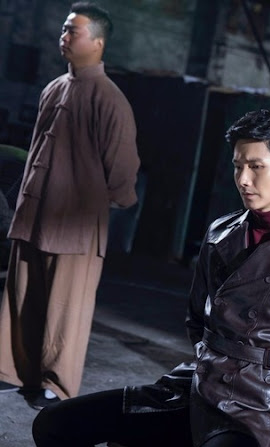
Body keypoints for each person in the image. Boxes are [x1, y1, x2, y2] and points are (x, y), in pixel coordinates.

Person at [31, 109, 270, 447]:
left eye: (256, 166)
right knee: (54, 424)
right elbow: (196, 318)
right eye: (237, 166)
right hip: (194, 383)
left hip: (257, 406)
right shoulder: (220, 233)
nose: (243, 179)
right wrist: (209, 360)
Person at [0, 2, 140, 409]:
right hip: (35, 213)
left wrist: (95, 204)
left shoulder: (109, 99)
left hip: (76, 224)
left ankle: (56, 384)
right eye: (63, 29)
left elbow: (122, 168)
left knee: (67, 307)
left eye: (72, 31)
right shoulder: (54, 88)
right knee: (22, 294)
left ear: (97, 42)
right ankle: (12, 370)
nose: (63, 37)